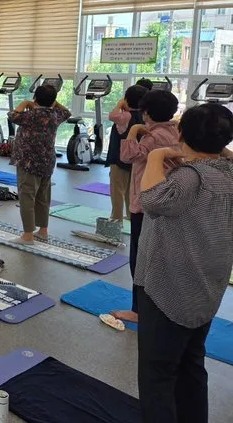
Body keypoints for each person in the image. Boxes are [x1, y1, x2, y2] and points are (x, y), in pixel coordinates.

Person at [135, 103, 233, 423]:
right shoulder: (226, 171)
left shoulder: (192, 178)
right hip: (207, 286)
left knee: (157, 375)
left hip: (170, 288)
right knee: (191, 365)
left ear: (181, 134)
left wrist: (155, 156)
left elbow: (151, 200)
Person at [113, 89, 180, 323]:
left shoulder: (152, 136)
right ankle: (160, 305)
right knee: (158, 256)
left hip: (145, 204)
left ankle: (138, 310)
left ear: (146, 113)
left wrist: (133, 130)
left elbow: (127, 156)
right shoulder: (175, 131)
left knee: (140, 258)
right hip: (166, 203)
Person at [7, 84, 71, 243]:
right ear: (53, 101)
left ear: (35, 98)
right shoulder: (55, 115)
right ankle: (43, 230)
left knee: (27, 197)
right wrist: (53, 103)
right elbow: (67, 112)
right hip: (47, 161)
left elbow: (12, 115)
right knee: (43, 196)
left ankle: (28, 235)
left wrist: (25, 102)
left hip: (28, 162)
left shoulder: (31, 115)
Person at [105, 84, 148, 221]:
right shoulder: (144, 117)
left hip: (119, 159)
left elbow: (112, 115)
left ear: (126, 99)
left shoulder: (125, 116)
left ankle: (116, 218)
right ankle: (131, 216)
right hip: (136, 159)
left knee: (117, 190)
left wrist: (119, 104)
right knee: (132, 189)